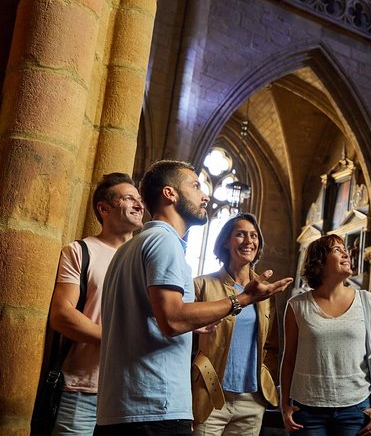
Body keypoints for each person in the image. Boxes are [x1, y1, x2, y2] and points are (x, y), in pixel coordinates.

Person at [95, 160, 292, 435]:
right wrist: (242, 300)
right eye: (196, 186)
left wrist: (192, 325)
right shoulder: (166, 243)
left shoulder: (129, 247)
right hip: (154, 408)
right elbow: (172, 320)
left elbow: (150, 318)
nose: (205, 195)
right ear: (170, 194)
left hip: (119, 410)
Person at [49, 172, 144, 435]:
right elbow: (61, 315)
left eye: (139, 199)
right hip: (82, 390)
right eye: (129, 199)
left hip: (132, 394)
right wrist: (117, 338)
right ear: (104, 208)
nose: (139, 205)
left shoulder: (145, 260)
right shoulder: (80, 251)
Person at [280, 234, 371, 436]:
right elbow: (288, 359)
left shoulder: (367, 302)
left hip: (355, 408)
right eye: (337, 249)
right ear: (319, 261)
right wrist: (284, 405)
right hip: (307, 408)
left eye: (344, 248)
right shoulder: (297, 306)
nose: (346, 253)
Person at [192, 213, 280, 435]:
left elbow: (271, 345)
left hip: (251, 401)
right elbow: (179, 334)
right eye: (240, 234)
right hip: (209, 395)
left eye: (254, 236)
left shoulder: (266, 293)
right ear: (225, 241)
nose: (248, 241)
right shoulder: (201, 285)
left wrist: (264, 378)